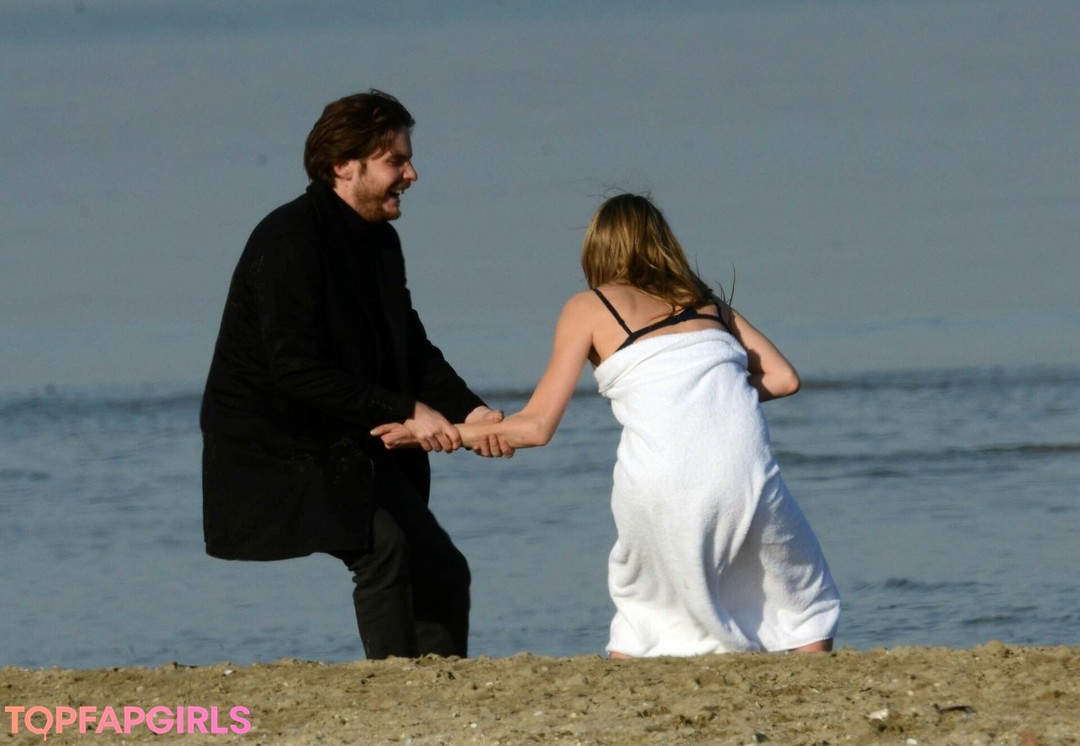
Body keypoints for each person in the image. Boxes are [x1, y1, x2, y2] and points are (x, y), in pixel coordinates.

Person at [377, 193, 840, 657]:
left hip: (660, 483)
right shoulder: (707, 304)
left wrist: (442, 434)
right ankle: (817, 679)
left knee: (647, 606)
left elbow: (536, 427)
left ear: (597, 249)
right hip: (746, 478)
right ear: (663, 243)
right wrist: (711, 391)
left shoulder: (589, 307)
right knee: (800, 592)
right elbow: (784, 378)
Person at [201, 89, 509, 661]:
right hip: (277, 440)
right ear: (344, 165)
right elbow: (295, 370)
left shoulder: (379, 241)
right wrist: (406, 410)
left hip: (348, 428)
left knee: (442, 567)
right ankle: (392, 686)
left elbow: (410, 347)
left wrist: (472, 411)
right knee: (384, 549)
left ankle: (443, 690)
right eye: (396, 161)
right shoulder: (290, 241)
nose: (412, 175)